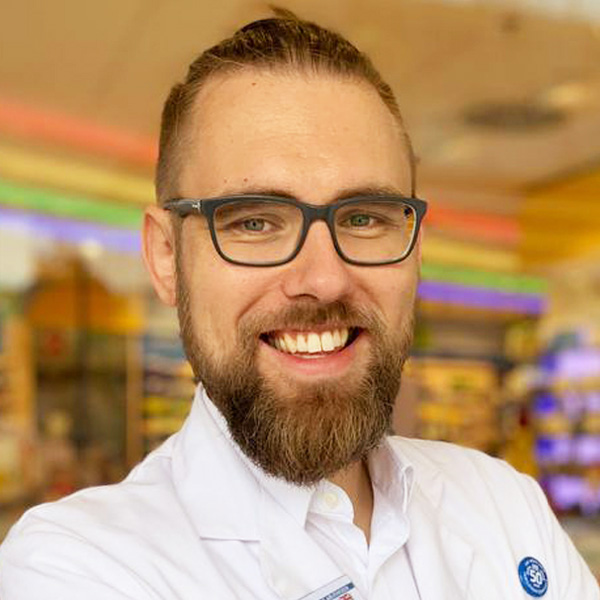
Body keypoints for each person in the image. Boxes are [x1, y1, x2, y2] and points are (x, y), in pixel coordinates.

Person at [0, 9, 597, 600]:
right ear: (165, 258)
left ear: (416, 249)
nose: (325, 279)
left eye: (364, 218)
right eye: (254, 221)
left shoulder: (506, 507)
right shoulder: (77, 565)